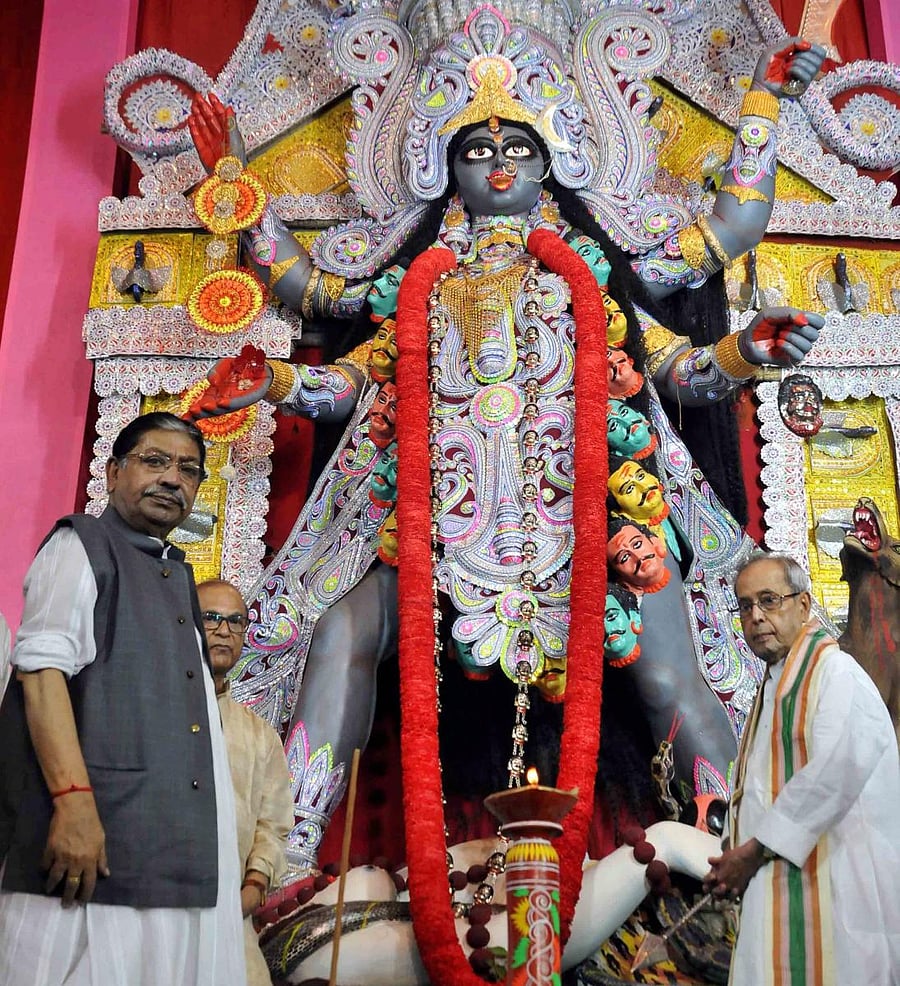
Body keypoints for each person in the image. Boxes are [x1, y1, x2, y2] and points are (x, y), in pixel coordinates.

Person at [187, 0, 825, 895]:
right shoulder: (420, 284)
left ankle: (741, 861)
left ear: (552, 157)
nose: (497, 165)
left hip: (594, 520)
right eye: (477, 150)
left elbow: (683, 360)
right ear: (443, 163)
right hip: (437, 530)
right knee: (338, 635)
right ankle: (284, 864)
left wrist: (740, 351)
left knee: (671, 681)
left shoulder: (593, 273)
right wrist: (279, 383)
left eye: (517, 149)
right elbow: (350, 374)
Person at [0, 412, 246, 986]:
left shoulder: (175, 574)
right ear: (112, 473)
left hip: (170, 855)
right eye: (154, 461)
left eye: (188, 470)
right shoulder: (81, 544)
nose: (172, 479)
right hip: (93, 845)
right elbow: (40, 673)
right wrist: (74, 802)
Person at [705, 552, 900, 985]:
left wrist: (754, 850)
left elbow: (839, 769)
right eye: (745, 605)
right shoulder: (775, 687)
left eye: (770, 600)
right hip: (775, 883)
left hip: (833, 892)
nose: (756, 616)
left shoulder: (834, 672)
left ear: (805, 605)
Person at [197, 578, 293, 986]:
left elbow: (273, 825)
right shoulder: (154, 712)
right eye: (211, 618)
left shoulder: (259, 735)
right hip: (155, 909)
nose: (224, 629)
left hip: (233, 921)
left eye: (236, 621)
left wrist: (254, 887)